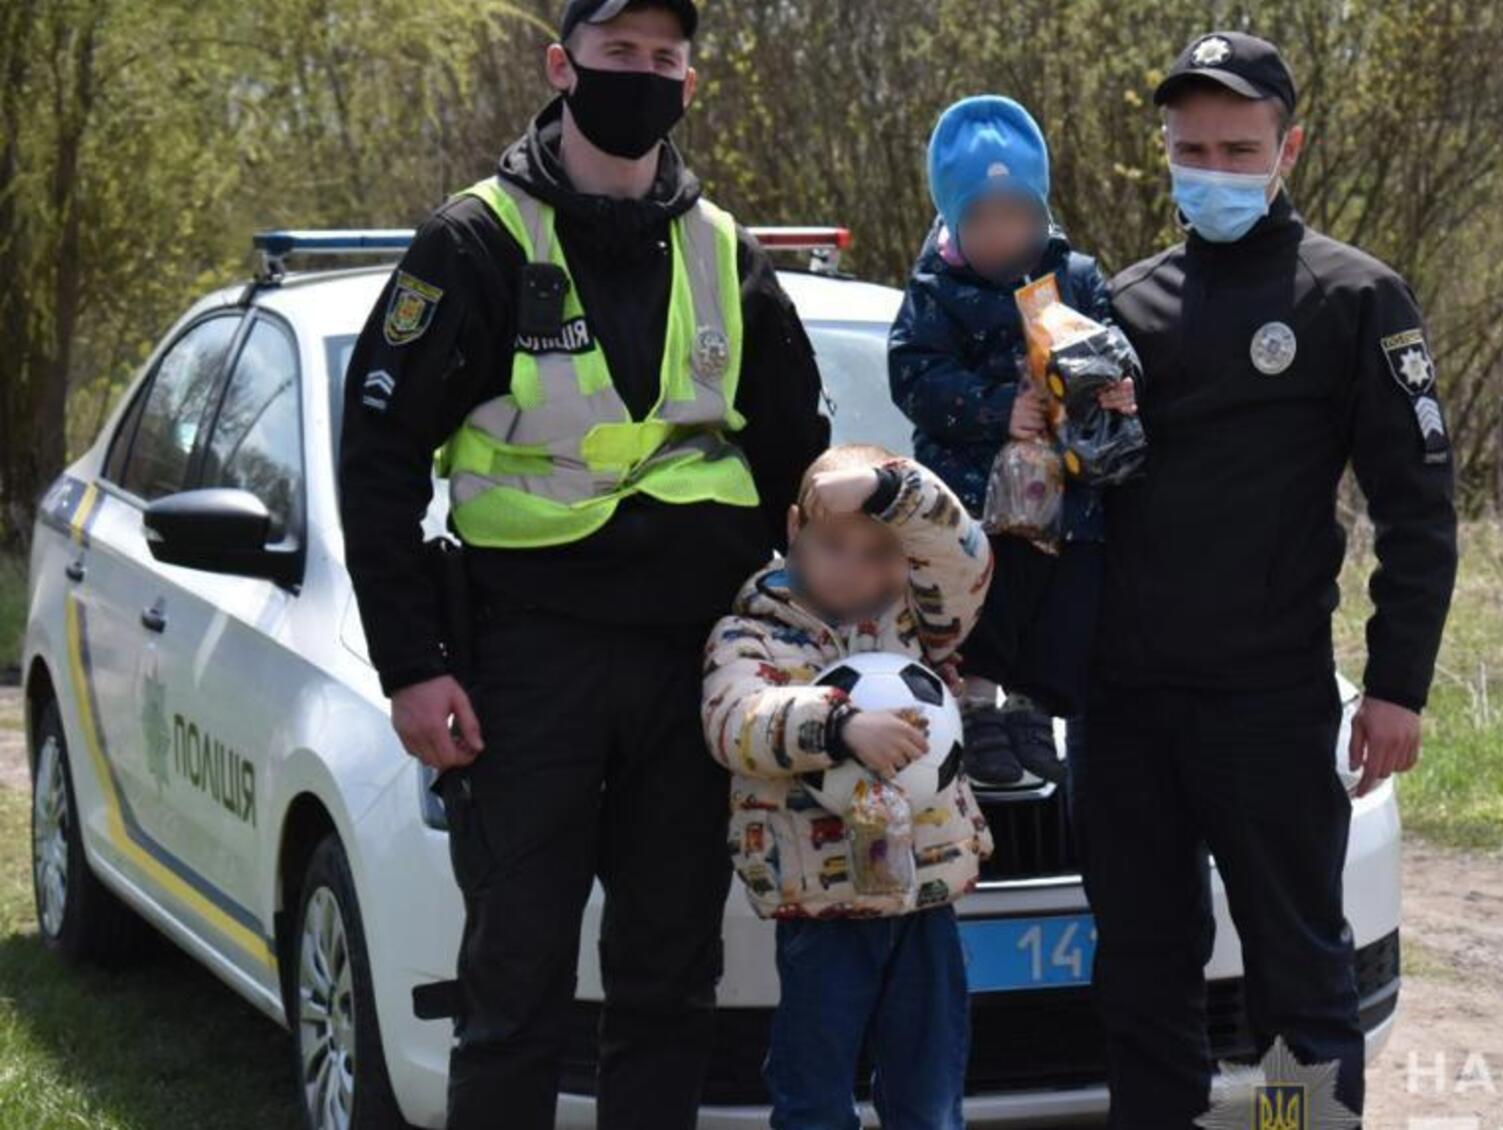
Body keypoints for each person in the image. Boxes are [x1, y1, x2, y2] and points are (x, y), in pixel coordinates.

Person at [336, 1, 827, 1126]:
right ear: (563, 66)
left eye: (666, 59)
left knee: (667, 982)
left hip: (693, 663)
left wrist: (827, 637)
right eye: (620, 55)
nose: (643, 76)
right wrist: (411, 663)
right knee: (514, 985)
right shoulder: (473, 242)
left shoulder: (725, 251)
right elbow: (378, 459)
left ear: (691, 85)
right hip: (526, 662)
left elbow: (804, 466)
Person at [1076, 31, 1459, 1125]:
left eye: (1238, 147)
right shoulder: (1121, 308)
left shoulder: (1354, 299)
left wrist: (1399, 685)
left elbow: (1418, 512)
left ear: (1288, 147)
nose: (1213, 167)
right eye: (1190, 147)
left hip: (1271, 705)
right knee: (1143, 977)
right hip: (1127, 710)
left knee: (1298, 983)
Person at [700, 445, 994, 1129]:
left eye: (878, 552)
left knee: (929, 1097)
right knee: (813, 1098)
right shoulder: (752, 634)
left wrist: (890, 487)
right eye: (833, 545)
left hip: (924, 898)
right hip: (819, 907)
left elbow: (967, 556)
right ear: (795, 526)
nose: (855, 571)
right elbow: (733, 717)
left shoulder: (921, 623)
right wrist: (837, 727)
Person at [888, 95, 1135, 786]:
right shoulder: (936, 291)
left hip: (1070, 487)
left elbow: (1115, 343)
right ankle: (978, 703)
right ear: (953, 220)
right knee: (985, 597)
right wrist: (1000, 409)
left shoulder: (1076, 278)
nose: (1005, 233)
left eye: (1020, 214)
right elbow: (914, 375)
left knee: (1071, 598)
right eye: (984, 218)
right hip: (976, 490)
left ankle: (1034, 709)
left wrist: (1120, 386)